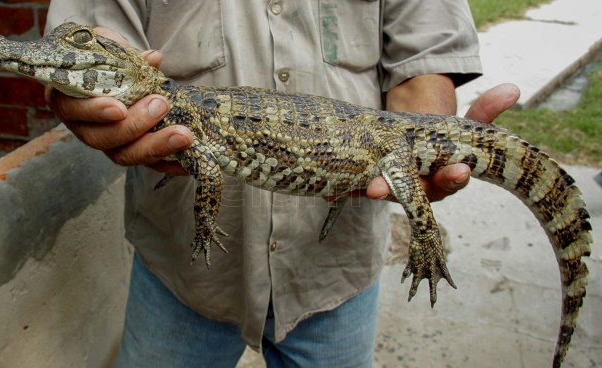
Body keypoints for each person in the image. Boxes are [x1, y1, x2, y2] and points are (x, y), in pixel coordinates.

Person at [45, 1, 520, 367]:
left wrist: (426, 127)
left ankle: (428, 242)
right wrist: (73, 81)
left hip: (335, 269)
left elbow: (427, 51)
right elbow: (85, 33)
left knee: (400, 165)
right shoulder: (168, 107)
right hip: (181, 275)